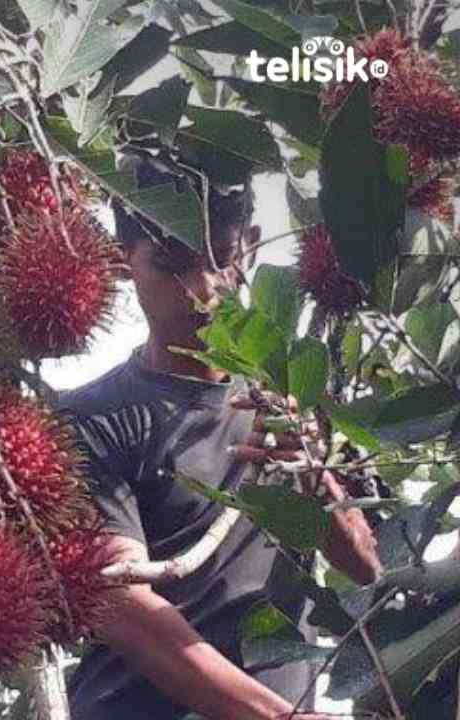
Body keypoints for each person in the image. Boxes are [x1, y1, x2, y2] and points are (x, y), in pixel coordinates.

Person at [57, 151, 383, 720]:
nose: (201, 288)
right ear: (119, 260)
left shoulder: (296, 392)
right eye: (171, 264)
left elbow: (368, 567)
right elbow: (122, 603)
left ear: (250, 246)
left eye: (220, 259)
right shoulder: (88, 418)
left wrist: (315, 479)